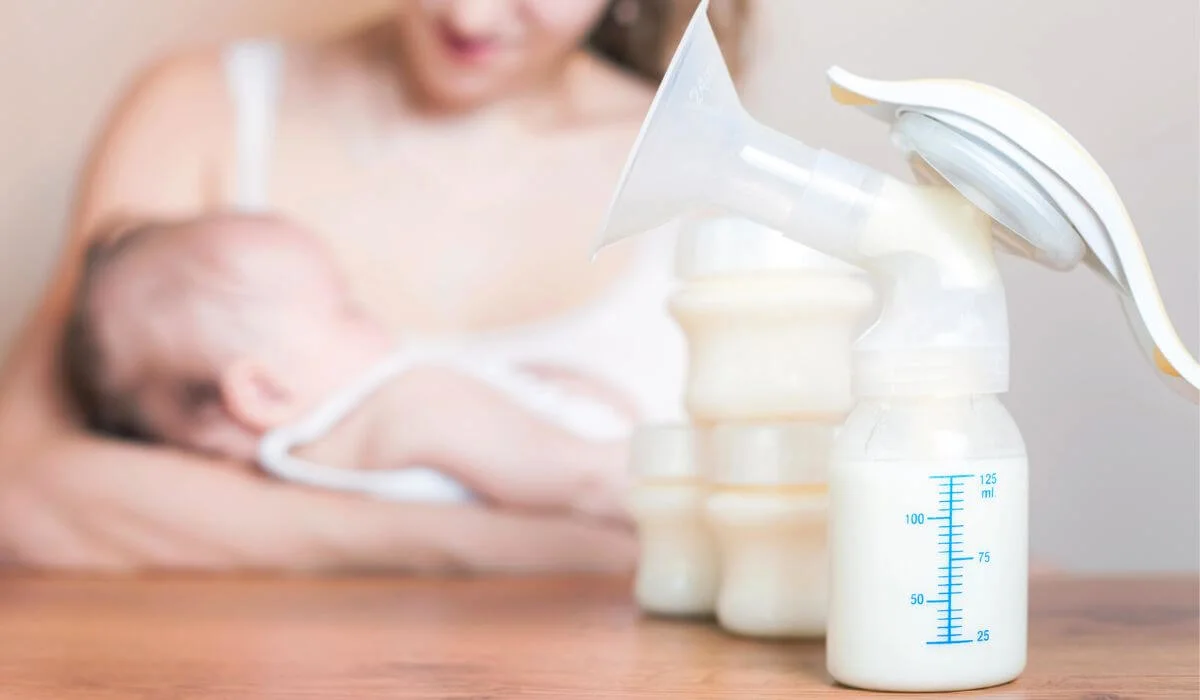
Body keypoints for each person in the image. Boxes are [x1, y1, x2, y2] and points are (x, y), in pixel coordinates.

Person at [0, 0, 751, 571]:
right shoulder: (202, 108)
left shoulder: (709, 165)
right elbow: (24, 491)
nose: (470, 14)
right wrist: (519, 550)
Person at [63, 211, 631, 517]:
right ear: (264, 391)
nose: (377, 322)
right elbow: (584, 478)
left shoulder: (296, 471)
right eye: (347, 309)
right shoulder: (404, 408)